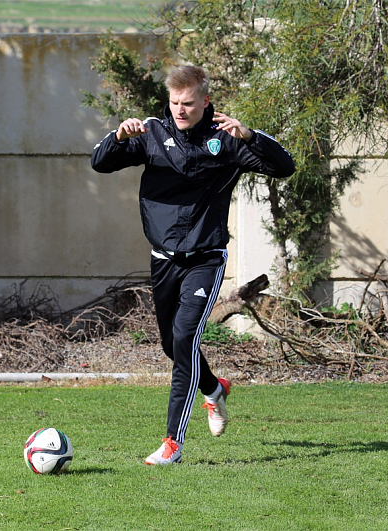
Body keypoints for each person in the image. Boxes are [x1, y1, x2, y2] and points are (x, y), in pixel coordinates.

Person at [91, 65, 295, 465]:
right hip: (163, 259)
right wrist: (118, 137)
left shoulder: (227, 138)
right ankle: (214, 388)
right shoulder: (151, 133)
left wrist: (251, 136)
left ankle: (173, 443)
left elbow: (284, 167)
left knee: (185, 338)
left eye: (187, 103)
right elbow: (100, 162)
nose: (180, 110)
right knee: (171, 344)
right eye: (174, 103)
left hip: (205, 257)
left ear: (205, 100)